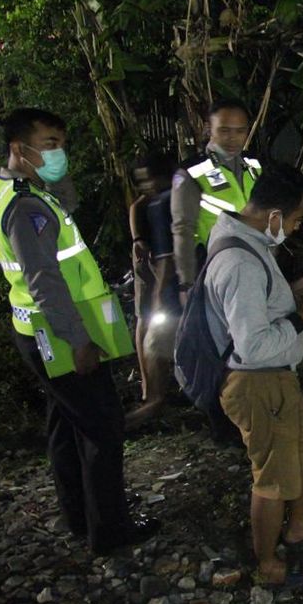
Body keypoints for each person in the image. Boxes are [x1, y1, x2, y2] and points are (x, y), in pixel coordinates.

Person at [0, 107, 158, 555]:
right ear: (19, 149)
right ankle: (111, 532)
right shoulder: (26, 207)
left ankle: (79, 516)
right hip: (58, 335)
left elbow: (68, 208)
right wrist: (78, 341)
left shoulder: (14, 189)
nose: (59, 153)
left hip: (37, 330)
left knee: (65, 423)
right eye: (49, 145)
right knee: (102, 427)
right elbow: (43, 279)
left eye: (61, 144)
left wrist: (55, 177)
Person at [203, 163, 303, 585]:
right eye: (296, 219)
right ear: (274, 214)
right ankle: (267, 563)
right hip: (257, 380)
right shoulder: (240, 261)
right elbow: (252, 346)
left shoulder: (247, 240)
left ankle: (299, 525)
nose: (295, 228)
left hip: (277, 377)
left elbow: (249, 309)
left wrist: (288, 296)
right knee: (273, 476)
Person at [170, 98, 262, 301]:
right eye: (224, 130)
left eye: (240, 131)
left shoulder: (254, 166)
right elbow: (183, 229)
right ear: (209, 129)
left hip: (253, 267)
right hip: (211, 272)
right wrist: (187, 283)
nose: (233, 138)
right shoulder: (192, 172)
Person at [125, 152, 178, 431]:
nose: (147, 186)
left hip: (171, 278)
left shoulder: (168, 202)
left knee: (156, 336)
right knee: (149, 326)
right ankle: (152, 393)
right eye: (141, 181)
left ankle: (156, 396)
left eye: (150, 179)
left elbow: (169, 256)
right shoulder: (147, 206)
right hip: (154, 273)